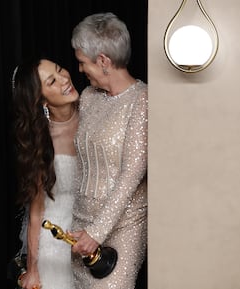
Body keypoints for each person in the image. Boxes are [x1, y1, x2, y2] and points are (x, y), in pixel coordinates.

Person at [68, 12, 148, 289]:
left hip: (121, 231)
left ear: (103, 61)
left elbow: (133, 172)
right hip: (79, 228)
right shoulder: (89, 97)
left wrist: (97, 232)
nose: (80, 70)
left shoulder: (142, 99)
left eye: (82, 62)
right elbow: (80, 162)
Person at [11, 56, 80, 289]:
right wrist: (32, 271)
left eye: (61, 70)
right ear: (41, 100)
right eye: (52, 81)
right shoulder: (41, 143)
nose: (64, 79)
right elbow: (35, 213)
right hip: (54, 244)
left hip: (91, 233)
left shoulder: (93, 115)